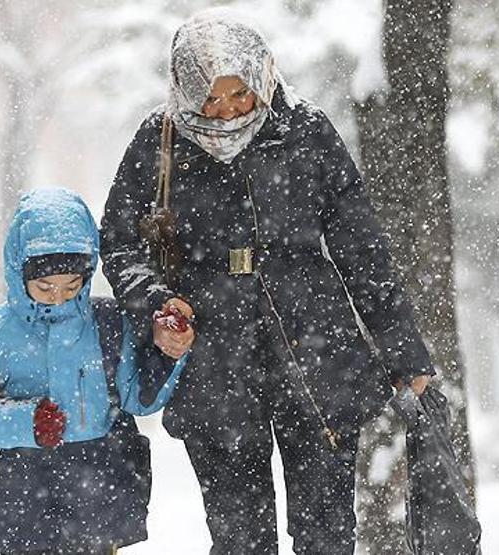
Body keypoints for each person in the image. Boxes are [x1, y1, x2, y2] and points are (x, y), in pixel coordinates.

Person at [100, 10, 434, 555]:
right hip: (213, 363)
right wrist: (157, 304)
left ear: (261, 77)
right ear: (184, 89)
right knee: (240, 541)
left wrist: (406, 356)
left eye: (240, 94)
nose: (227, 111)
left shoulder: (305, 130)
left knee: (326, 535)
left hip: (315, 358)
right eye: (209, 99)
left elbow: (362, 250)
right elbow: (119, 241)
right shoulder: (157, 142)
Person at [0, 187, 187, 555]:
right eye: (44, 287)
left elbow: (139, 399)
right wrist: (26, 422)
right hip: (28, 487)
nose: (59, 296)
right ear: (18, 270)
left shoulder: (107, 323)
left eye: (73, 286)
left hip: (99, 485)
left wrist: (167, 354)